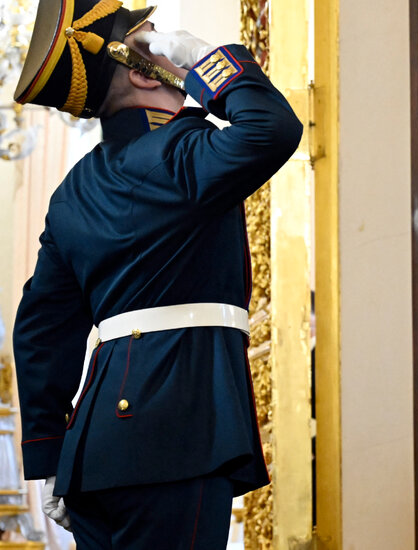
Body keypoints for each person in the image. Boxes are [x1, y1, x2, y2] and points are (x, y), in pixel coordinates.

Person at [11, 0, 302, 547]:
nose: (167, 42)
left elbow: (41, 332)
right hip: (178, 431)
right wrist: (206, 59)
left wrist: (50, 456)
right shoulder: (180, 153)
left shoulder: (73, 193)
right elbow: (272, 126)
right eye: (153, 37)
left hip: (92, 453)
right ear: (143, 72)